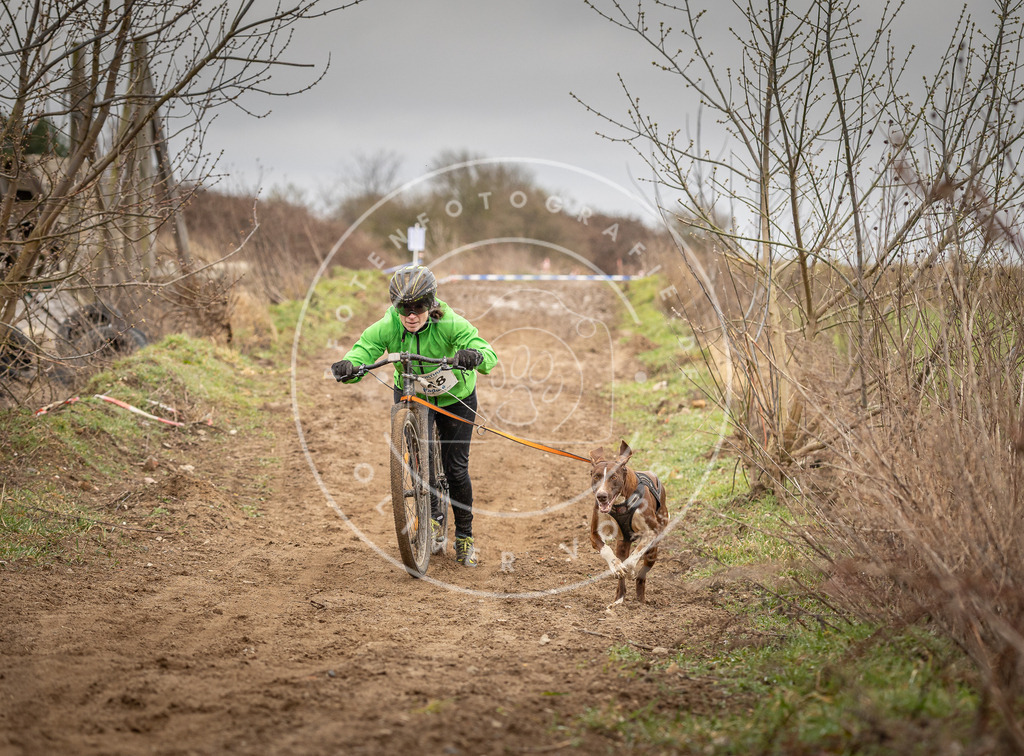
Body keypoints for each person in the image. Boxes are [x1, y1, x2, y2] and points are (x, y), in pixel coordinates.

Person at [331, 264, 497, 567]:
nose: (410, 315)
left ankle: (464, 536)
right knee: (422, 464)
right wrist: (349, 366)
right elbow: (364, 349)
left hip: (455, 398)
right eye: (403, 308)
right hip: (413, 394)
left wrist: (475, 355)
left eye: (418, 306)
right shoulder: (389, 325)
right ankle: (432, 518)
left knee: (456, 469)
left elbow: (485, 351)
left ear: (431, 303)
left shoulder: (449, 323)